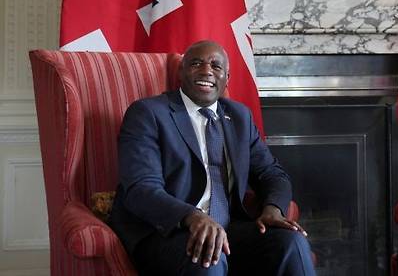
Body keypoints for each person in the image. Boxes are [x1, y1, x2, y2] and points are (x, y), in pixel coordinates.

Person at [109, 40, 315, 276]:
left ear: (227, 78)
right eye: (196, 63)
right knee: (208, 258)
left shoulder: (239, 117)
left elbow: (271, 173)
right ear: (181, 72)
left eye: (216, 66)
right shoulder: (148, 113)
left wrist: (273, 210)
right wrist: (192, 216)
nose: (207, 70)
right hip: (166, 231)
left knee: (291, 242)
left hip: (227, 228)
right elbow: (141, 187)